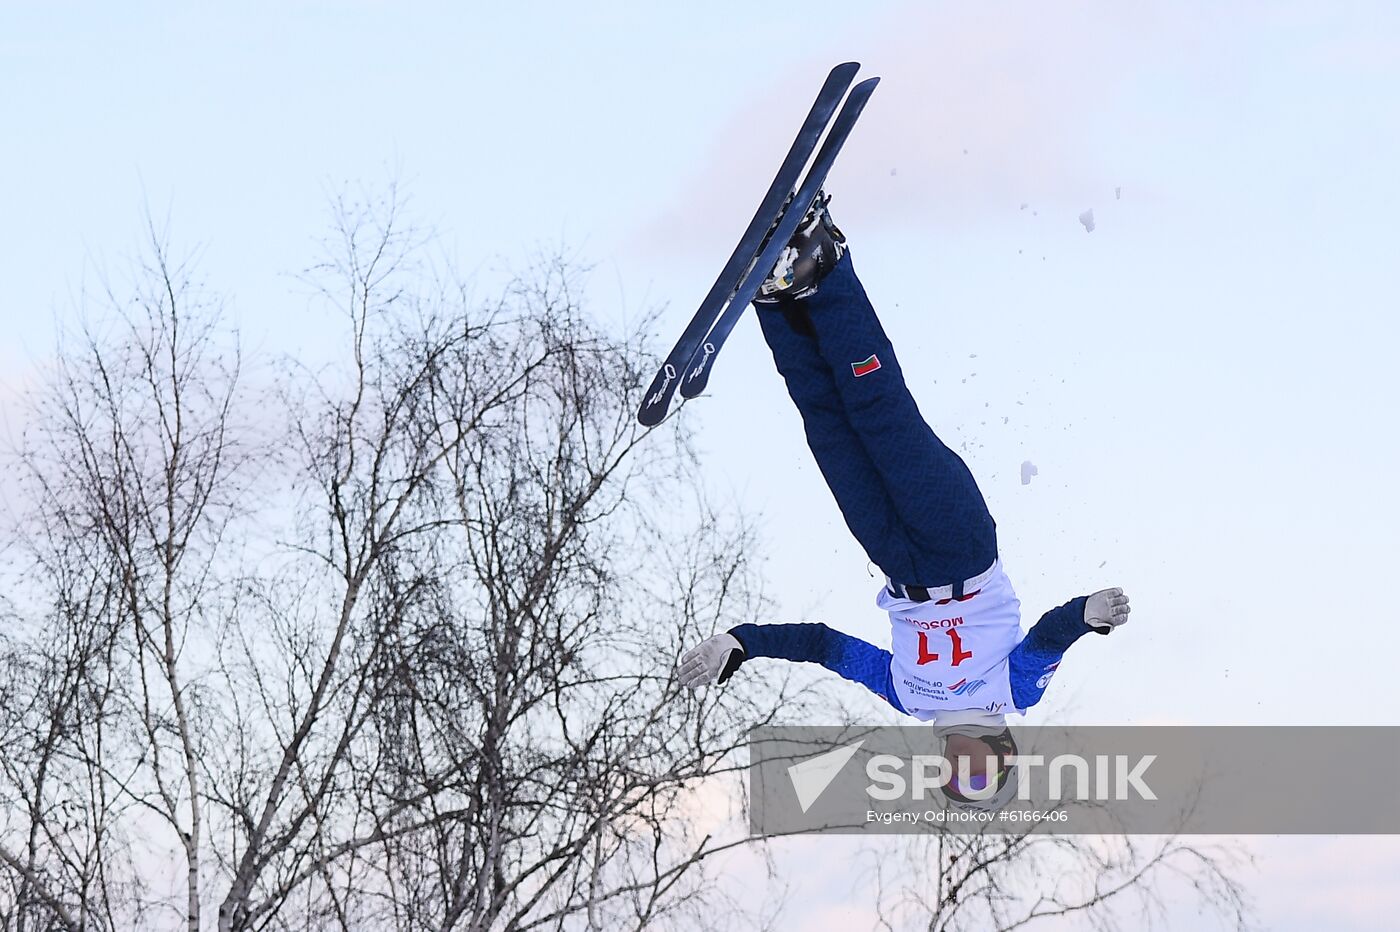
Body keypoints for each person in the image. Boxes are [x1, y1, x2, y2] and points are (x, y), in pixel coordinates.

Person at [677, 192, 1132, 807]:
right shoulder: (1011, 694)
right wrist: (1089, 613)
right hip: (959, 544)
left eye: (956, 777)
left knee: (828, 426)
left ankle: (777, 298)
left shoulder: (912, 698)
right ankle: (824, 263)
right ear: (1001, 756)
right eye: (980, 773)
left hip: (895, 559)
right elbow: (1050, 637)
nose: (963, 764)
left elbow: (826, 646)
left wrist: (744, 641)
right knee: (879, 411)